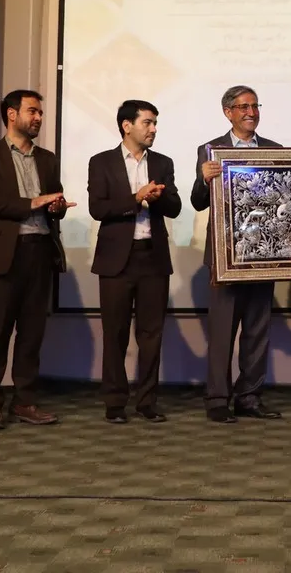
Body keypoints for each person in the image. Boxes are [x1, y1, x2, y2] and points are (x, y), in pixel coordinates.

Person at [191, 85, 291, 423]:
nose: (251, 112)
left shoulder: (275, 149)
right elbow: (198, 201)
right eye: (243, 106)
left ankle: (249, 397)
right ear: (228, 112)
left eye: (255, 106)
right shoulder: (210, 150)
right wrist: (203, 179)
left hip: (264, 255)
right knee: (222, 334)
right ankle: (218, 399)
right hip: (225, 258)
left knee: (258, 333)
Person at [0, 90, 73, 430]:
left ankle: (24, 401)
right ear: (12, 114)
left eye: (40, 112)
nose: (38, 117)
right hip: (2, 254)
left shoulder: (47, 159)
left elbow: (52, 204)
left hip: (39, 251)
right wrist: (29, 203)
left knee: (31, 333)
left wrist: (56, 207)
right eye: (32, 111)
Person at [88, 99, 181, 424]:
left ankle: (147, 402)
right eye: (147, 123)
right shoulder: (101, 162)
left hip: (153, 258)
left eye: (155, 123)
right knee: (115, 334)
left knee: (151, 334)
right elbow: (98, 208)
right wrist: (135, 198)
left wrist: (157, 197)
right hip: (116, 260)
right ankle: (115, 403)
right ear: (127, 126)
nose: (153, 129)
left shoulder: (163, 162)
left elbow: (175, 208)